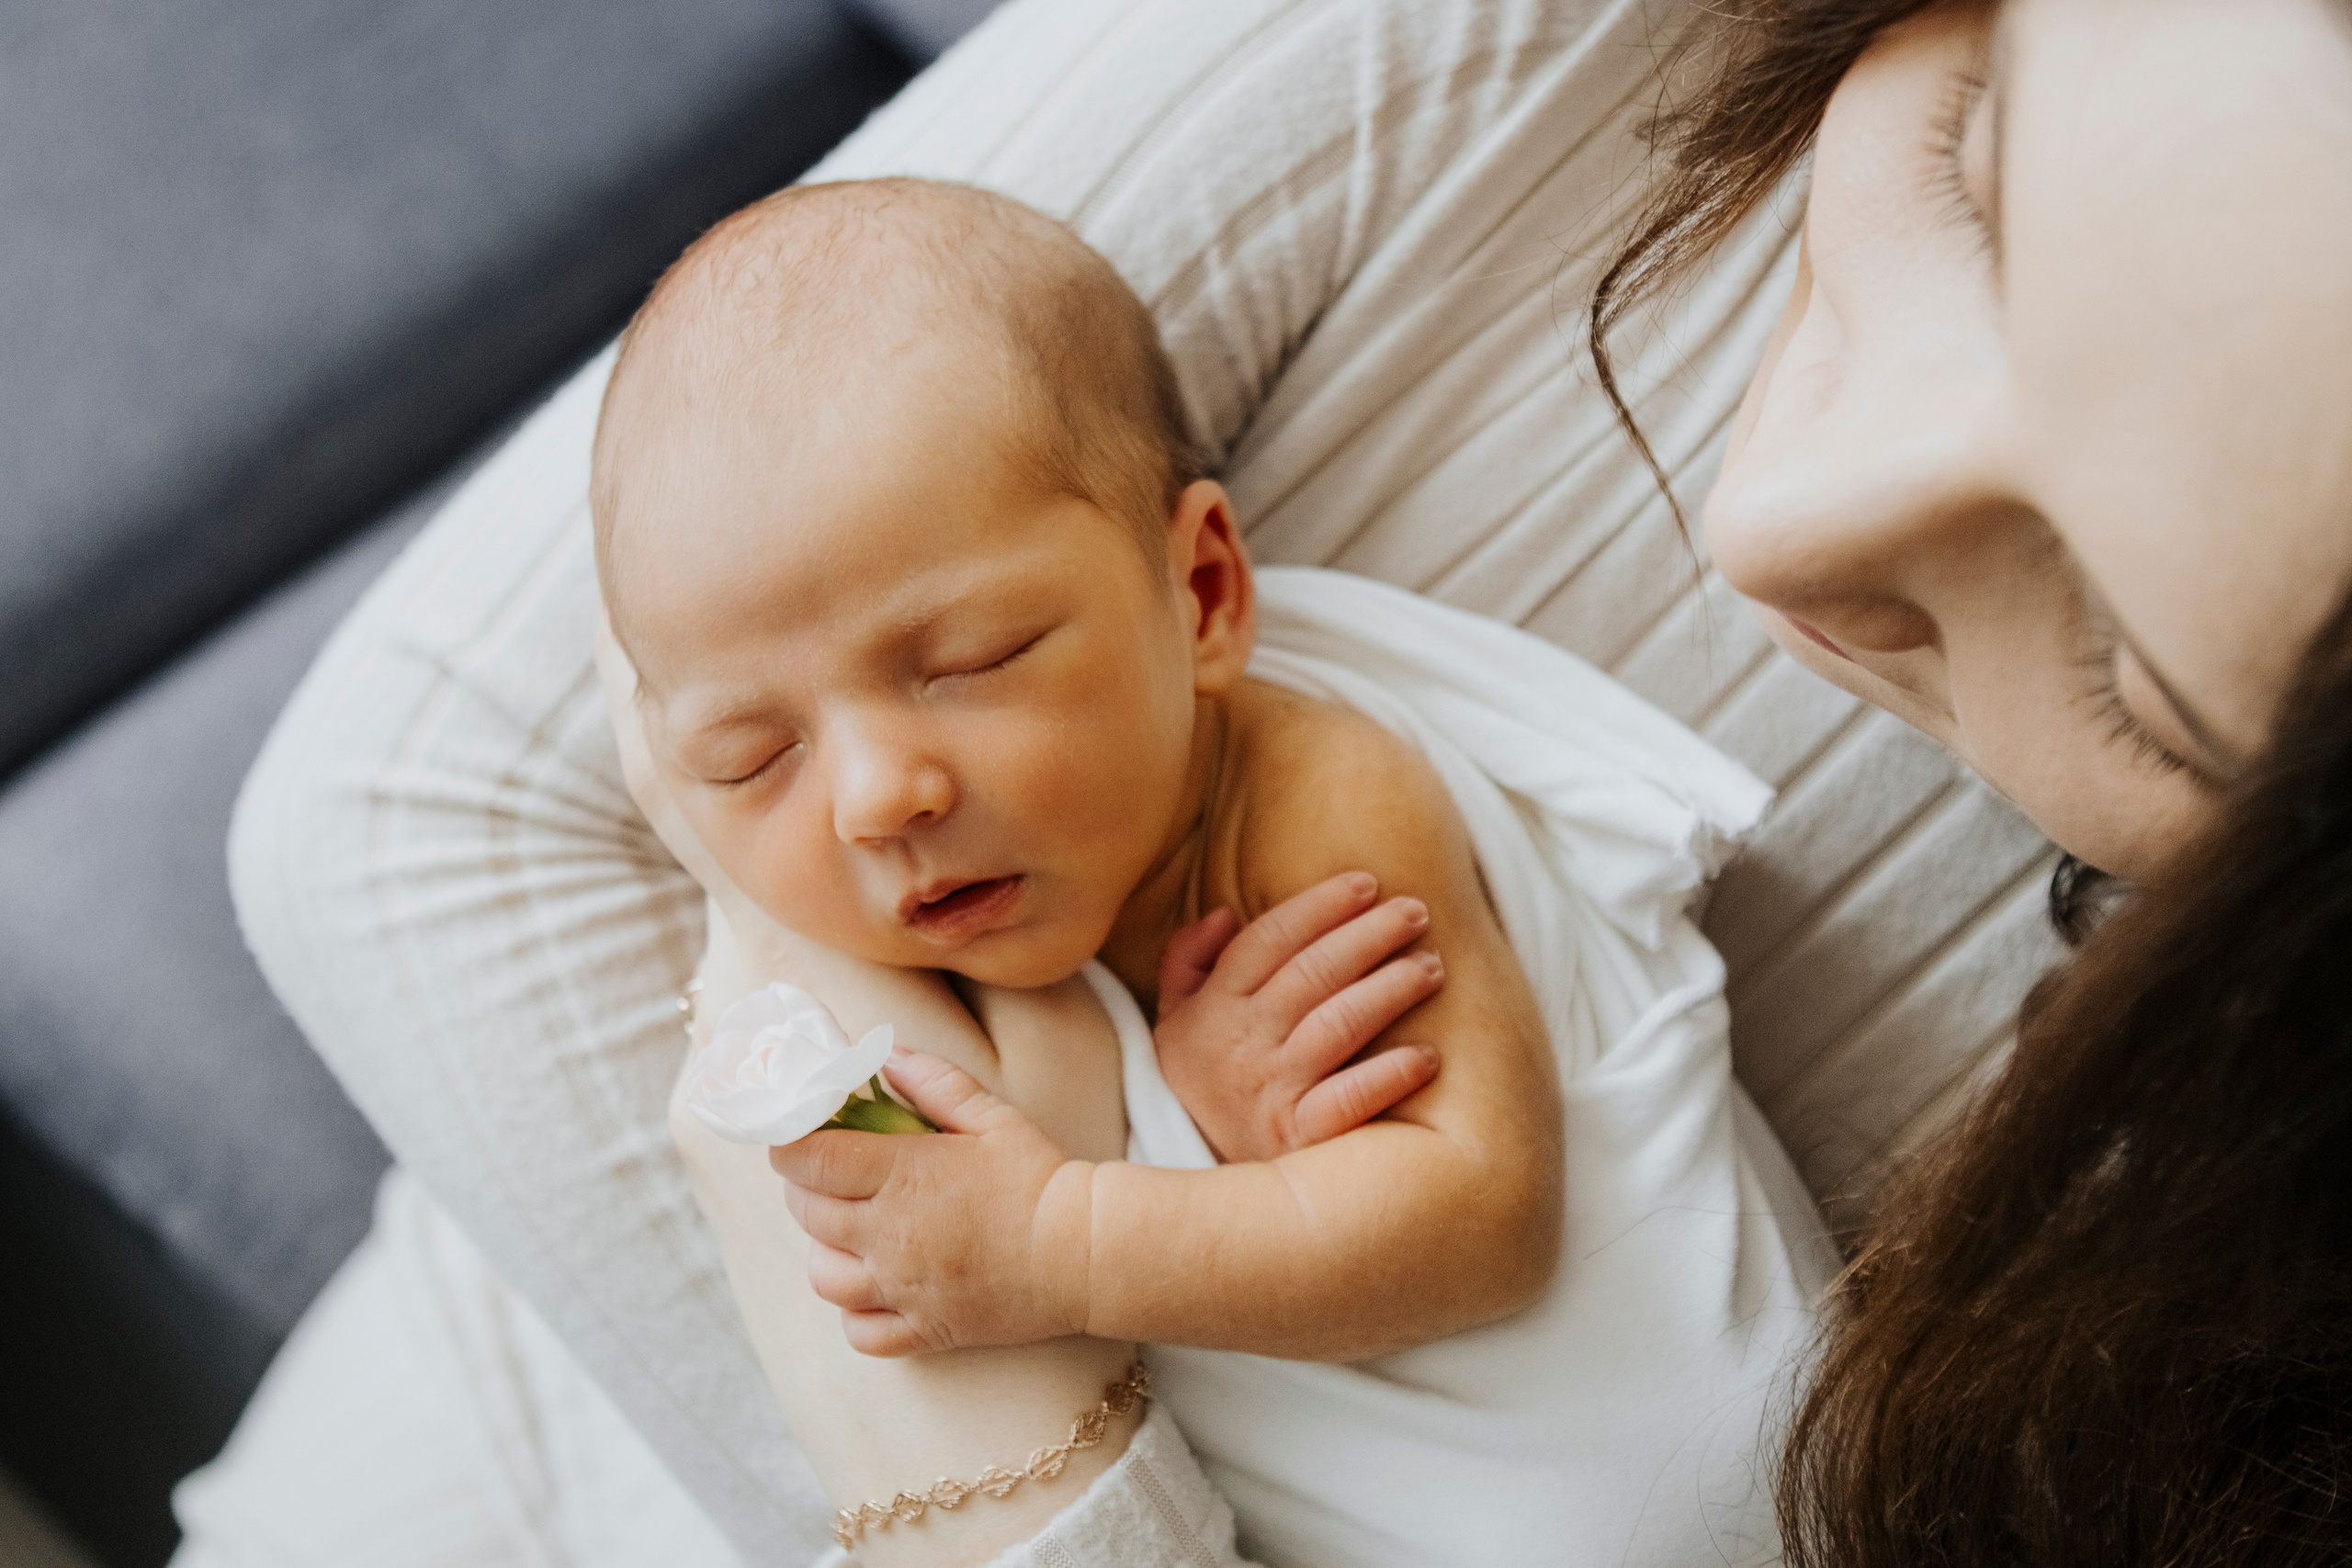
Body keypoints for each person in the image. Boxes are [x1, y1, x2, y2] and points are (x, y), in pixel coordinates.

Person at [197, 0, 2352, 1564]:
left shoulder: (1317, 793)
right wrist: (938, 1133)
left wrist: (1042, 1212)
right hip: (568, 1302)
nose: (1768, 525)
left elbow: (1408, 1212)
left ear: (1201, 586)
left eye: (2130, 668)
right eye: (1968, 180)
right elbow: (543, 893)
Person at [588, 173, 1822, 1566]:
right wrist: (1178, 1116)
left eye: (973, 662)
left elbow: (1479, 1222)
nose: (878, 799)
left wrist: (1059, 1236)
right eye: (750, 757)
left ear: (1204, 598)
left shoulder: (1315, 795)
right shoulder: (883, 968)